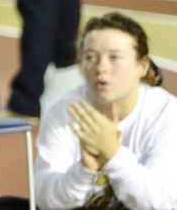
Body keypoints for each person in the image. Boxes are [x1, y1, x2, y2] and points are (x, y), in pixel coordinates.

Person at [32, 12, 177, 209]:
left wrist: (113, 154)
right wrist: (84, 170)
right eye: (90, 57)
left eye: (115, 57)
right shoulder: (63, 112)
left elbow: (162, 203)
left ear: (142, 66)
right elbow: (44, 200)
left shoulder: (166, 114)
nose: (101, 68)